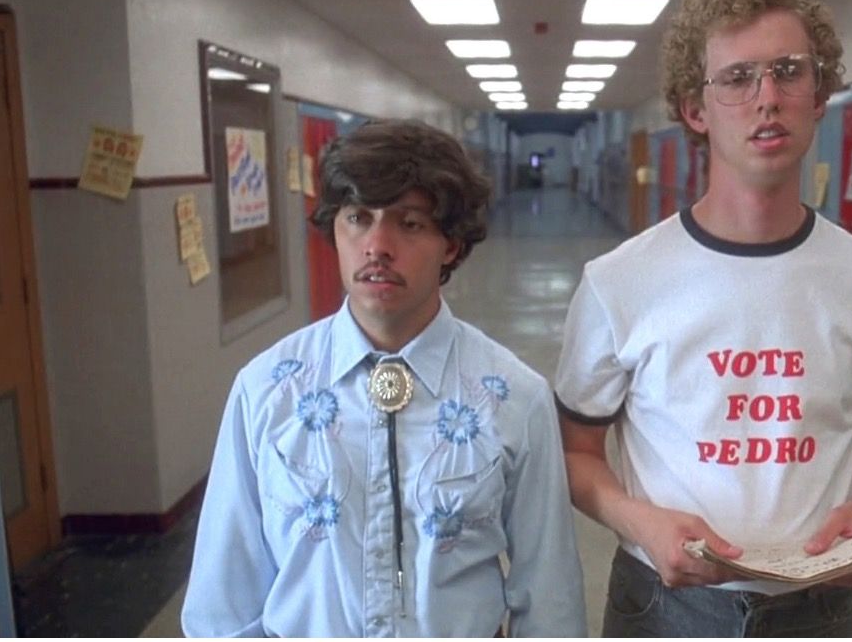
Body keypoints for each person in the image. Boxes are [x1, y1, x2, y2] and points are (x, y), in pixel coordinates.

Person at [554, 0, 852, 638]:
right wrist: (639, 520)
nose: (767, 97)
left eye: (789, 71)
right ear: (695, 110)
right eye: (737, 78)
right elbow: (576, 451)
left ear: (818, 95)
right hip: (661, 609)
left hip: (815, 611)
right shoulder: (620, 281)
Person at [182, 119, 587, 637]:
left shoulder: (514, 399)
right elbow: (223, 599)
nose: (377, 245)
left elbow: (549, 594)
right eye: (357, 218)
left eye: (410, 223)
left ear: (452, 245)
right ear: (334, 229)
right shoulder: (267, 390)